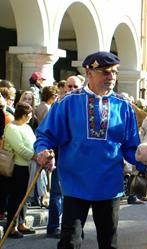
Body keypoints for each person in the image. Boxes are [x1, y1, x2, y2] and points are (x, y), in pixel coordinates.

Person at [34, 51, 147, 249]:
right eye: (105, 72)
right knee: (70, 242)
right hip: (74, 184)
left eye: (114, 72)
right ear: (89, 73)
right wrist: (42, 151)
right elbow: (45, 135)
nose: (111, 77)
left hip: (109, 186)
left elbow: (131, 148)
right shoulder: (67, 103)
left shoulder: (124, 107)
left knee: (108, 244)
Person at [46, 75, 83, 239]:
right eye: (69, 86)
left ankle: (73, 230)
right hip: (59, 158)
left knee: (75, 196)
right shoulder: (57, 107)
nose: (71, 90)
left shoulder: (84, 107)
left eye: (75, 87)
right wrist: (48, 152)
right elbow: (48, 134)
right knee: (56, 194)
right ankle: (53, 227)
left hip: (79, 162)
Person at [3, 102, 37, 238]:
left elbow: (33, 143)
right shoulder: (12, 128)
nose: (30, 117)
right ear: (23, 115)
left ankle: (21, 224)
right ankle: (11, 227)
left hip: (28, 166)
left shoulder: (27, 127)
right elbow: (20, 149)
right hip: (17, 167)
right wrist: (36, 156)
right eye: (29, 115)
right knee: (16, 198)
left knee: (24, 197)